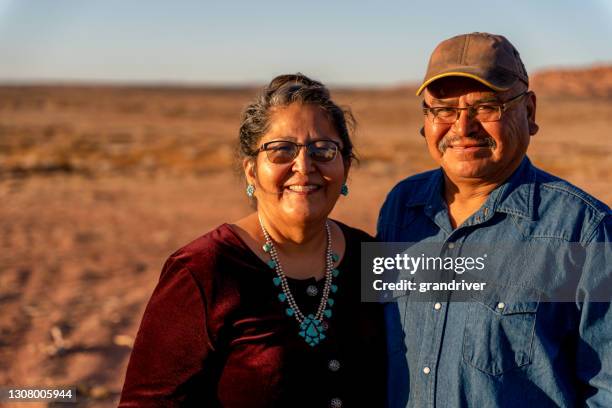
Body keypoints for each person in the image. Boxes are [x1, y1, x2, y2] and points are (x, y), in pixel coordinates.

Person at [119, 73, 386, 407]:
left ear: (345, 166)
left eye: (324, 150)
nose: (303, 166)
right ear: (251, 171)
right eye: (281, 151)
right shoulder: (203, 271)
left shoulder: (372, 256)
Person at [378, 32, 611, 407]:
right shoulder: (401, 208)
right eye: (443, 109)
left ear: (530, 112)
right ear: (426, 120)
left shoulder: (584, 232)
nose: (463, 126)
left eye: (487, 106)